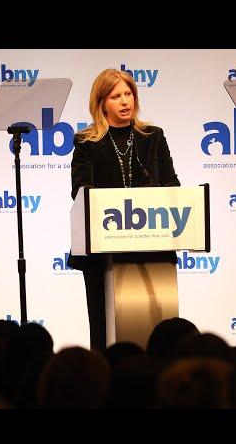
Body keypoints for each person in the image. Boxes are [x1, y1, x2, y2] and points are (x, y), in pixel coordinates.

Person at [67, 68, 181, 351]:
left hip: (152, 243)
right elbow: (80, 191)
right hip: (102, 251)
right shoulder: (86, 142)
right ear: (102, 102)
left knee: (156, 331)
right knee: (103, 331)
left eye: (128, 94)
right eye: (116, 96)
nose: (124, 101)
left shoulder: (153, 136)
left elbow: (171, 183)